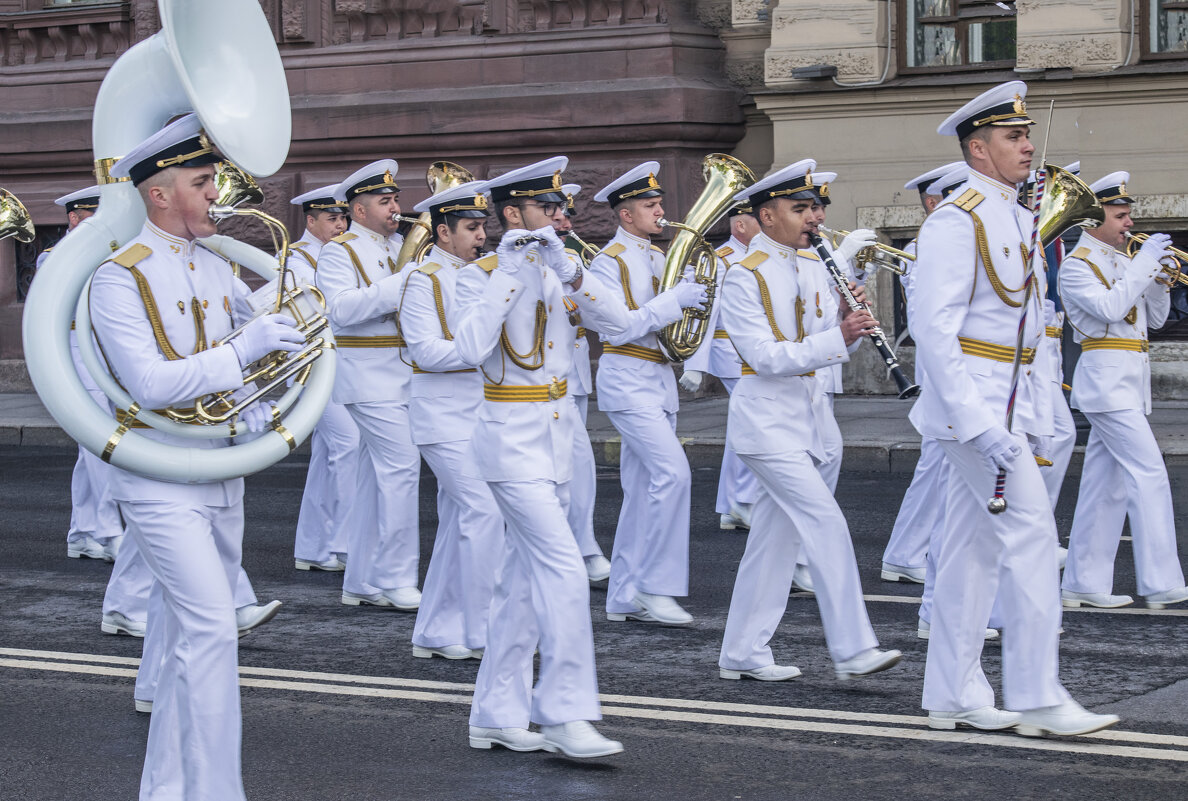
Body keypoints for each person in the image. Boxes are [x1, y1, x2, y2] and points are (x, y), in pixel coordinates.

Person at [88, 113, 304, 799]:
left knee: (191, 641)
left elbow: (246, 367)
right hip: (158, 477)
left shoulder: (215, 265)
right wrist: (245, 349)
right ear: (159, 193)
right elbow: (150, 382)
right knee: (212, 632)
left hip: (220, 466)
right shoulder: (118, 278)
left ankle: (166, 789)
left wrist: (275, 378)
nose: (219, 193)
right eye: (204, 181)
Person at [910, 80, 1118, 736]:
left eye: (1026, 134)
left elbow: (1026, 331)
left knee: (973, 552)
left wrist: (1032, 415)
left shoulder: (1017, 215)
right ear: (978, 148)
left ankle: (951, 691)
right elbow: (935, 331)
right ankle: (1037, 695)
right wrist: (978, 422)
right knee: (1030, 538)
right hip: (971, 409)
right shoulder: (958, 218)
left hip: (1007, 405)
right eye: (1012, 136)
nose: (1028, 145)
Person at [452, 157, 629, 757]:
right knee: (563, 568)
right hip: (509, 440)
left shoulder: (558, 270)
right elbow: (468, 349)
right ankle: (562, 712)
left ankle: (496, 713)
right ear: (511, 214)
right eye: (547, 208)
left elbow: (620, 326)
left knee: (523, 584)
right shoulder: (478, 275)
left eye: (561, 209)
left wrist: (573, 273)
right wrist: (507, 270)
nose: (560, 217)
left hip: (555, 438)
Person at [715, 159, 901, 683]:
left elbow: (822, 339)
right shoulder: (741, 275)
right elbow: (765, 357)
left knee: (774, 543)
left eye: (816, 208)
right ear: (767, 216)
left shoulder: (815, 265)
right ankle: (853, 647)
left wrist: (848, 313)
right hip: (767, 424)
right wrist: (837, 337)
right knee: (824, 523)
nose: (814, 218)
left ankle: (742, 652)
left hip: (812, 419)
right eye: (801, 209)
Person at [1058, 171, 1188, 610]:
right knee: (1149, 473)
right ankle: (1160, 580)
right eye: (1121, 215)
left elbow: (1151, 320)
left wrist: (1158, 279)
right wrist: (1143, 265)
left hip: (1128, 382)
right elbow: (1111, 309)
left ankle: (1082, 582)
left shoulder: (1120, 261)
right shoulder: (1077, 267)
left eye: (1129, 215)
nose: (1129, 224)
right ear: (1095, 220)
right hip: (1105, 382)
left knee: (1105, 486)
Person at [588, 162, 696, 626]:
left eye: (660, 204)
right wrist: (675, 301)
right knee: (673, 475)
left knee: (639, 490)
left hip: (657, 381)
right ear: (626, 215)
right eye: (650, 206)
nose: (661, 212)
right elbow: (620, 326)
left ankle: (624, 596)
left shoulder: (658, 258)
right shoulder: (606, 263)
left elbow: (672, 324)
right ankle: (656, 586)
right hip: (627, 379)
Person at [400, 179, 502, 660]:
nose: (481, 235)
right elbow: (423, 350)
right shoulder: (423, 279)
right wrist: (478, 350)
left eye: (483, 226)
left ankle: (435, 631)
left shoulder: (483, 275)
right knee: (483, 511)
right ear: (443, 233)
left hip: (479, 411)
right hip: (440, 414)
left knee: (460, 519)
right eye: (471, 227)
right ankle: (481, 630)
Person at [316, 159, 422, 610]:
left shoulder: (401, 245)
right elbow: (339, 311)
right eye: (385, 201)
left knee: (373, 480)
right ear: (358, 211)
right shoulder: (340, 251)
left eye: (395, 199)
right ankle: (396, 576)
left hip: (402, 373)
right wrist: (402, 283)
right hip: (367, 375)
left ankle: (361, 580)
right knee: (402, 469)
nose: (396, 207)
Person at [879, 161, 964, 588]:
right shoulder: (922, 246)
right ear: (934, 201)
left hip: (962, 366)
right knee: (938, 463)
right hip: (944, 368)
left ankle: (908, 552)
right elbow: (932, 317)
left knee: (945, 467)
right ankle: (906, 552)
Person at [46, 186, 126, 562]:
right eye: (93, 215)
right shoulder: (54, 257)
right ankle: (110, 530)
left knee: (90, 448)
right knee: (99, 443)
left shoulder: (109, 254)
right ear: (74, 218)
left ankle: (82, 532)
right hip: (77, 352)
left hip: (109, 353)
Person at [285, 184, 359, 573]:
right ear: (310, 221)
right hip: (315, 364)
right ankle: (345, 543)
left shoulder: (343, 253)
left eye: (343, 217)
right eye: (332, 218)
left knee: (328, 454)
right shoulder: (296, 259)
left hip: (342, 361)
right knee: (349, 444)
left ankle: (314, 547)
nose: (340, 224)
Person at [679, 203, 762, 532]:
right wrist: (695, 364)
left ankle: (731, 506)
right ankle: (743, 498)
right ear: (740, 225)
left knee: (743, 423)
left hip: (749, 351)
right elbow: (703, 312)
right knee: (755, 418)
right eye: (758, 217)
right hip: (730, 351)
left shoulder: (759, 254)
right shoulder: (721, 258)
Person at [556, 182, 613, 583]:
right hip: (540, 381)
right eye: (555, 212)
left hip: (575, 373)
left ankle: (579, 547)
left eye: (566, 213)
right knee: (576, 464)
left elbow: (595, 318)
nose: (564, 220)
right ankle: (582, 549)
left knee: (575, 467)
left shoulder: (573, 259)